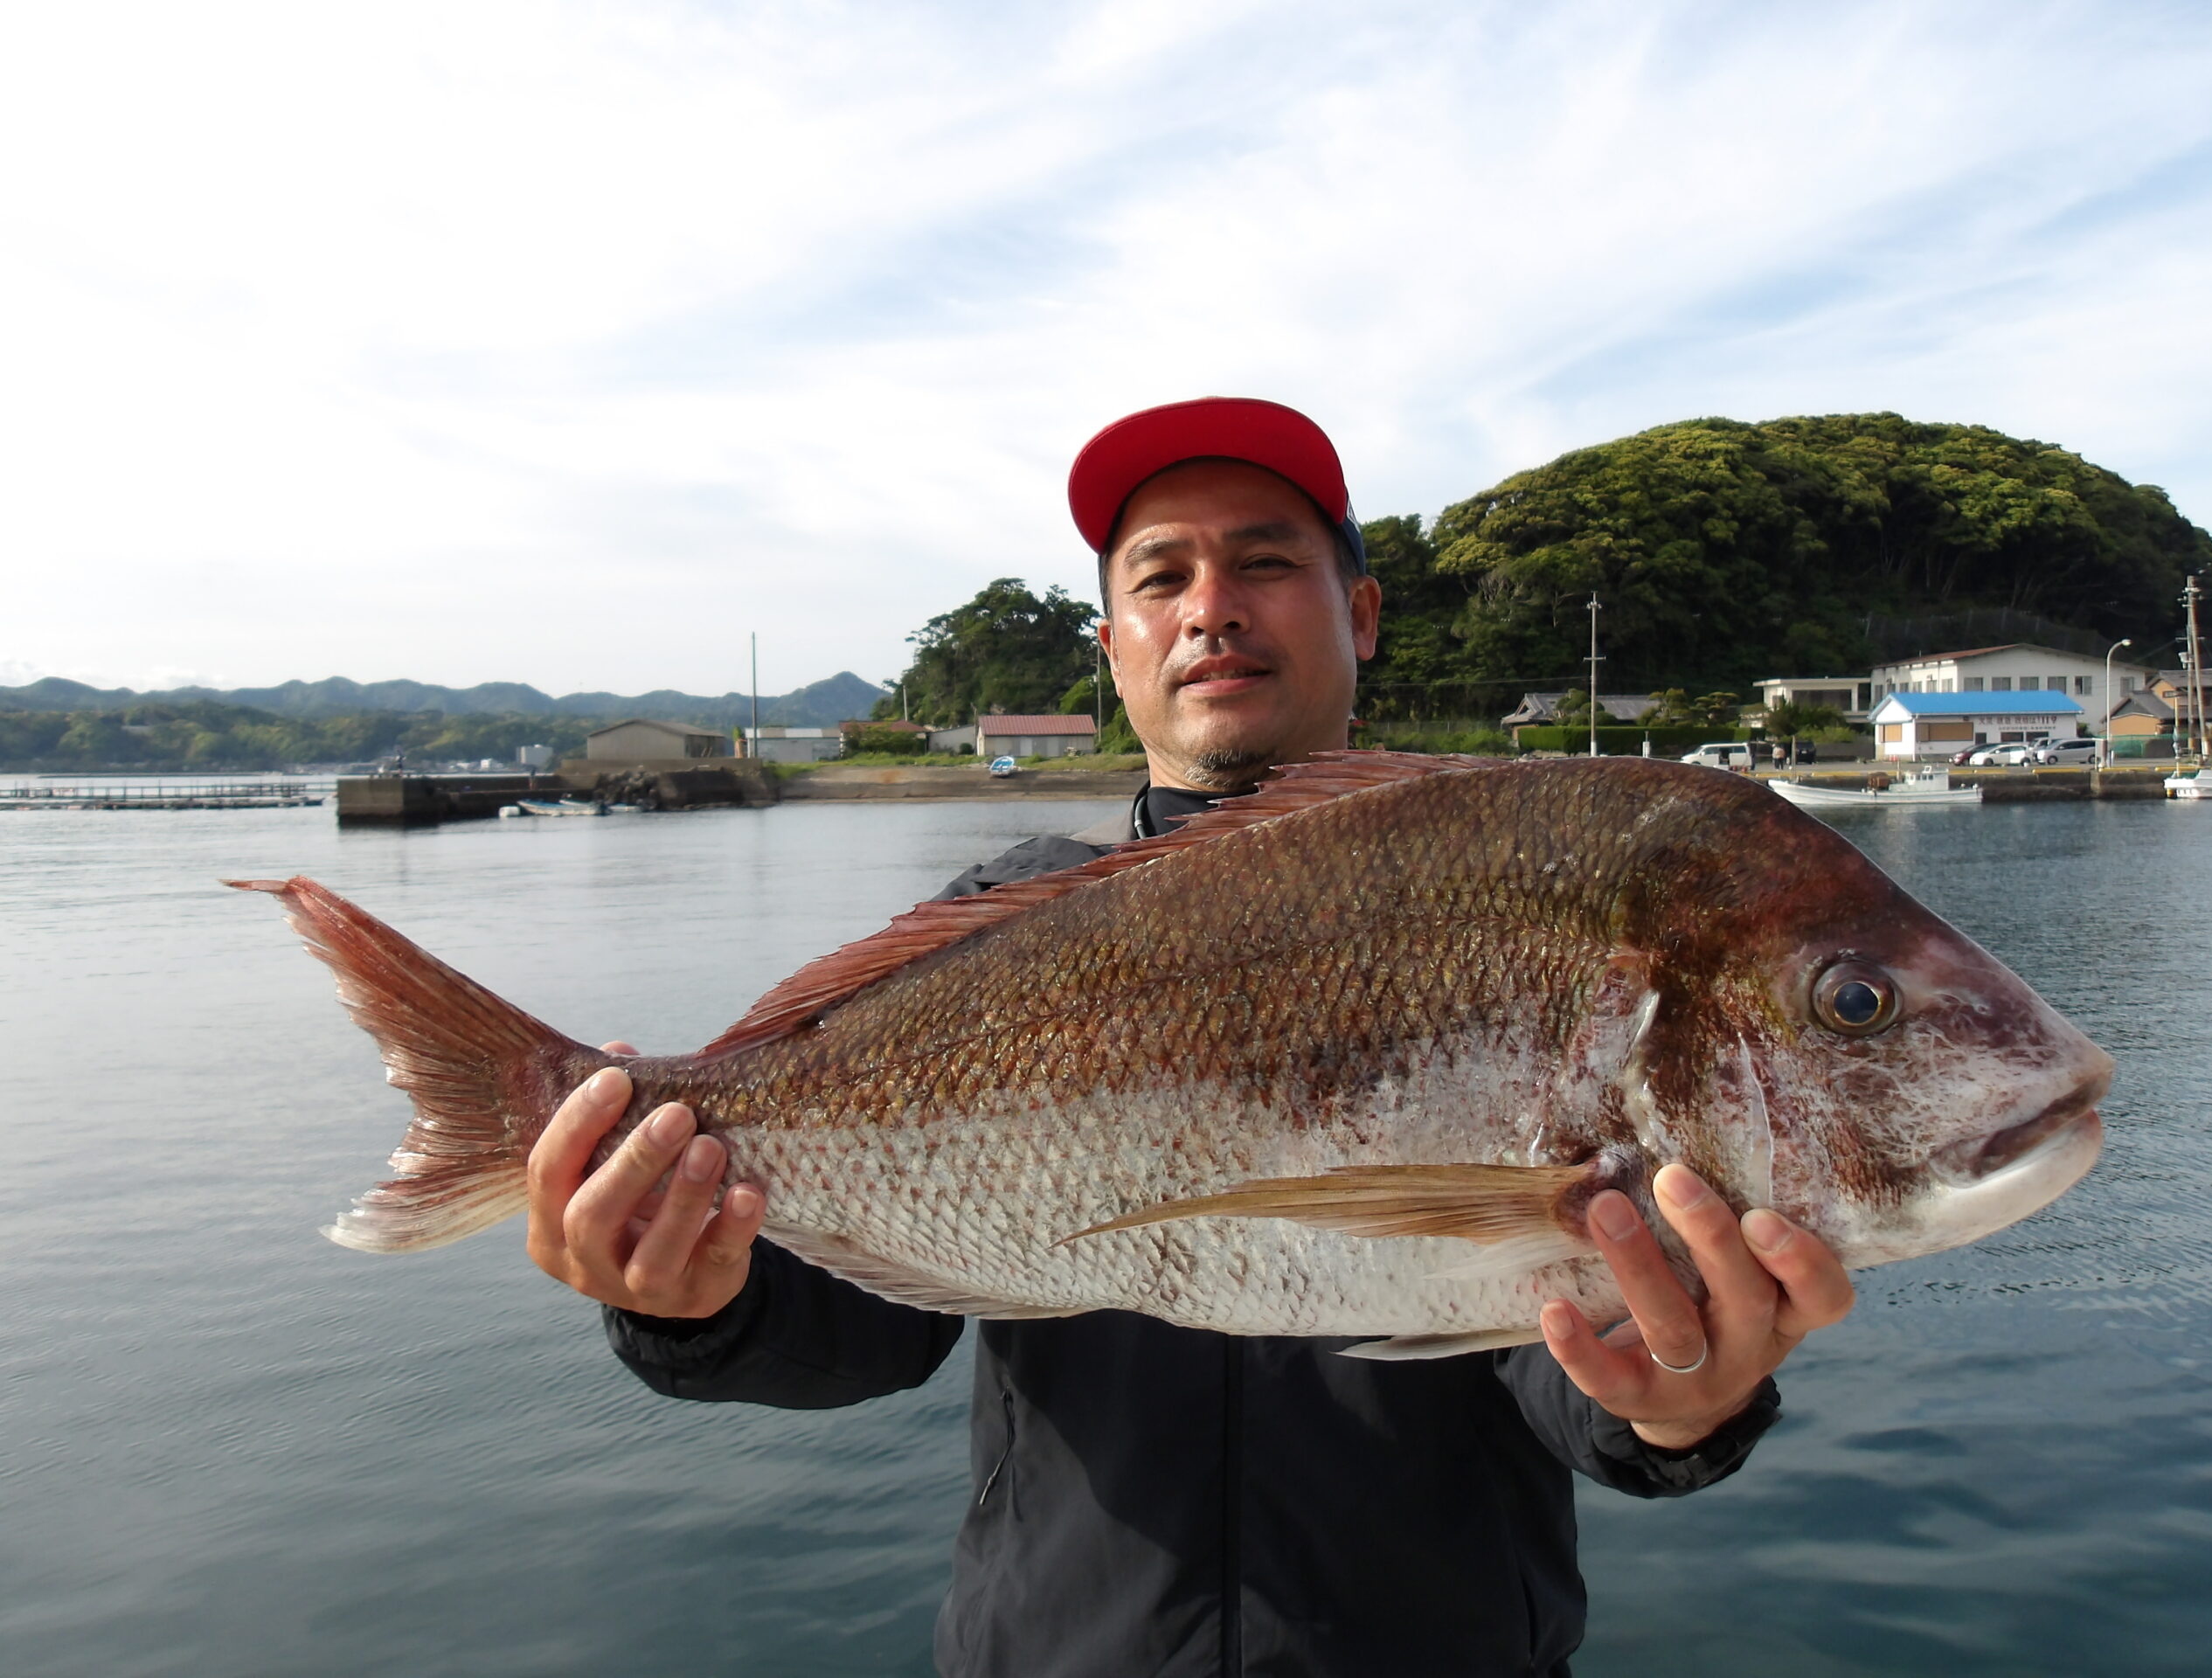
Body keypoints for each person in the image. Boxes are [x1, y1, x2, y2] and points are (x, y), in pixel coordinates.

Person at [523, 399, 1855, 1676]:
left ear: (1364, 614)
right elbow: (867, 1330)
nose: (1210, 606)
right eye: (1162, 578)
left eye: (1266, 562)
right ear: (1114, 650)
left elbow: (1556, 1352)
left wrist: (1680, 1405)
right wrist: (688, 1301)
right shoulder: (991, 927)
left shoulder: (1512, 902)